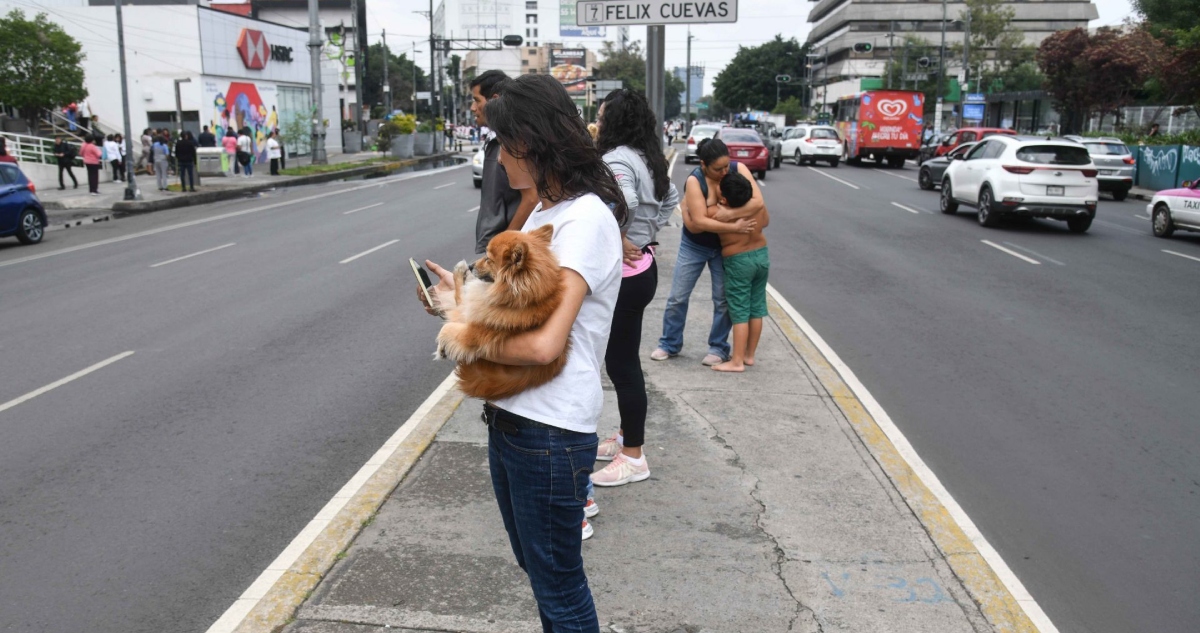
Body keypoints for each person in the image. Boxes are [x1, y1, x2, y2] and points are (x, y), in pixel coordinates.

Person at [418, 74, 626, 633]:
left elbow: (543, 342)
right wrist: (455, 306)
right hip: (515, 421)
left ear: (531, 144)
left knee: (559, 586)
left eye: (503, 147)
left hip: (550, 432)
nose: (500, 161)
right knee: (541, 574)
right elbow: (519, 311)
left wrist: (463, 334)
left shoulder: (584, 220)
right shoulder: (543, 211)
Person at [589, 88, 681, 490]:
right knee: (624, 363)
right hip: (642, 266)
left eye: (602, 113)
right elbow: (670, 198)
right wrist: (645, 234)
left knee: (622, 367)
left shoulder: (616, 159)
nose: (597, 118)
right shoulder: (649, 157)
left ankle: (634, 457)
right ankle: (627, 439)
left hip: (625, 274)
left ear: (615, 120)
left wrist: (618, 234)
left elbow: (618, 200)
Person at [650, 138, 763, 366]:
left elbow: (758, 203)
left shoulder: (737, 169)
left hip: (726, 248)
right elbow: (698, 223)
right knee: (677, 297)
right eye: (717, 168)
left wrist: (726, 214)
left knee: (722, 300)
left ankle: (719, 347)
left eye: (726, 166)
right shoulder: (695, 181)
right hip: (694, 246)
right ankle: (669, 343)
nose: (724, 172)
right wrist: (734, 225)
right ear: (703, 164)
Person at [469, 69, 538, 255]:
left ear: (494, 99)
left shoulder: (511, 141)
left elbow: (532, 198)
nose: (472, 108)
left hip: (511, 253)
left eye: (477, 100)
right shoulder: (497, 139)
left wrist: (505, 243)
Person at [708, 171, 769, 372]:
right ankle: (749, 356)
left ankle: (737, 361)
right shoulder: (757, 208)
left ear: (724, 198)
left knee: (740, 311)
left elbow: (702, 216)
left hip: (739, 261)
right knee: (757, 307)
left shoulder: (719, 212)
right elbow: (766, 221)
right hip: (761, 256)